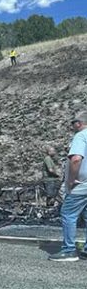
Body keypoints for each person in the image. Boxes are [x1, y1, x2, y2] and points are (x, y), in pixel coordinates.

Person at [49, 112, 87, 261]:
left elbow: (76, 159)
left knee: (68, 214)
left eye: (73, 123)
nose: (71, 126)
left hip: (81, 186)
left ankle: (69, 250)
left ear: (79, 123)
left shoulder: (81, 136)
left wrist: (71, 181)